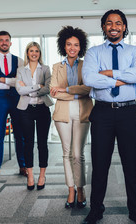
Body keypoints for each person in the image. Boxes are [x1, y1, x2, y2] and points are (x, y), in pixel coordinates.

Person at [80, 9, 136, 224]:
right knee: (99, 164)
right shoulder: (93, 52)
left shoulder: (135, 51)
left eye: (118, 23)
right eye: (109, 23)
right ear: (103, 27)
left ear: (124, 27)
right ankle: (95, 210)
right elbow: (89, 78)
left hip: (129, 112)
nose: (114, 26)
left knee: (131, 164)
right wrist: (121, 78)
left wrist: (109, 73)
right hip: (102, 113)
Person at [50, 26, 92, 208]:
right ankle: (71, 189)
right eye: (69, 44)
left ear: (80, 47)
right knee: (66, 153)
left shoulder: (87, 65)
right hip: (62, 113)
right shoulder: (56, 67)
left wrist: (65, 90)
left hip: (83, 111)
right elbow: (53, 92)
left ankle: (81, 188)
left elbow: (88, 88)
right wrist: (77, 92)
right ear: (64, 46)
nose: (72, 48)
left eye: (76, 45)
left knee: (78, 153)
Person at [0, 31, 26, 181]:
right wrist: (11, 83)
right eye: (1, 40)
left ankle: (23, 166)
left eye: (6, 40)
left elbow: (21, 82)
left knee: (19, 134)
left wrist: (2, 80)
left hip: (16, 100)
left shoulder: (19, 61)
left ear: (10, 42)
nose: (4, 43)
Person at [15, 42, 53, 190]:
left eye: (37, 51)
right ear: (27, 53)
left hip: (42, 108)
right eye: (31, 51)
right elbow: (19, 90)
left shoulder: (46, 69)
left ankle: (42, 175)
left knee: (42, 143)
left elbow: (48, 89)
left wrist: (28, 89)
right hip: (25, 109)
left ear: (39, 53)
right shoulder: (20, 70)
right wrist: (38, 86)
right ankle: (30, 175)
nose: (34, 53)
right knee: (28, 143)